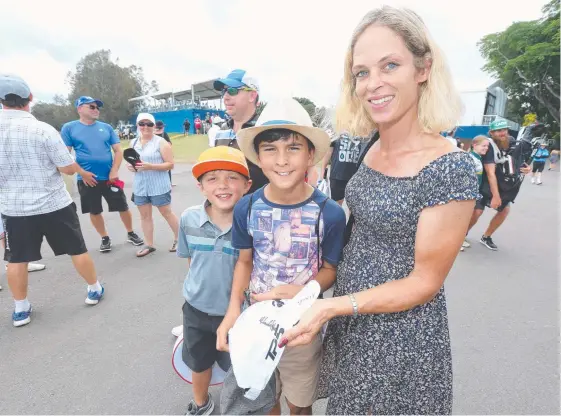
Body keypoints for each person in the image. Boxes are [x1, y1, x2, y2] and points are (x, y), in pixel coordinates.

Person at [277, 8, 480, 415]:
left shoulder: (450, 166)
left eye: (390, 65)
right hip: (353, 319)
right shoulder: (374, 144)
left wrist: (332, 305)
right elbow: (358, 227)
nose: (374, 84)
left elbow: (425, 281)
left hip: (399, 337)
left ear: (423, 68)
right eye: (362, 72)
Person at [217, 98, 347, 415]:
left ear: (310, 155)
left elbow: (331, 269)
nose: (282, 160)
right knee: (264, 398)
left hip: (301, 328)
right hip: (256, 323)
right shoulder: (246, 207)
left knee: (300, 405)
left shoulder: (328, 213)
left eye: (293, 148)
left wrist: (306, 291)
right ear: (258, 158)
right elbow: (245, 261)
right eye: (271, 150)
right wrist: (233, 311)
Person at [0, 74, 105, 327]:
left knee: (16, 259)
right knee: (77, 249)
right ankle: (94, 288)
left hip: (14, 208)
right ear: (30, 99)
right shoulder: (43, 129)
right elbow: (67, 168)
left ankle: (21, 309)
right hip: (53, 203)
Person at [177, 146, 252, 415]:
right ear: (201, 187)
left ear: (247, 185)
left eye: (232, 177)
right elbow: (191, 261)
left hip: (239, 314)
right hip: (196, 309)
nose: (222, 185)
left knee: (239, 365)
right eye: (212, 178)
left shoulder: (253, 223)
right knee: (199, 362)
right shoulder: (188, 219)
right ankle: (201, 404)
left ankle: (239, 407)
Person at [61, 96, 143, 252]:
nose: (96, 110)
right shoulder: (69, 128)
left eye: (97, 107)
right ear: (80, 109)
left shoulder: (106, 127)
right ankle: (104, 237)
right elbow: (65, 155)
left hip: (110, 178)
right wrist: (82, 173)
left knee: (123, 206)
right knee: (95, 210)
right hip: (87, 179)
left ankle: (131, 233)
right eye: (91, 107)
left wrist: (114, 170)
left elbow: (118, 150)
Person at [466, 119, 531, 251]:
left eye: (504, 130)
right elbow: (490, 173)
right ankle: (461, 235)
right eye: (499, 131)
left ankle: (486, 236)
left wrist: (527, 167)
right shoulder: (489, 146)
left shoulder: (511, 141)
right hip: (484, 184)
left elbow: (516, 159)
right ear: (492, 133)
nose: (503, 133)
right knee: (477, 212)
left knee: (505, 210)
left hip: (502, 183)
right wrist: (496, 196)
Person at [127, 113, 179, 257]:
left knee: (166, 213)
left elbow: (170, 164)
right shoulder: (133, 143)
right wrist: (131, 167)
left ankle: (179, 238)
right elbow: (132, 162)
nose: (145, 127)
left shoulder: (161, 142)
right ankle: (149, 244)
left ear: (154, 126)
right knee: (145, 216)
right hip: (140, 186)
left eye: (149, 124)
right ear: (137, 126)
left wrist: (151, 166)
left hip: (159, 185)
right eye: (142, 124)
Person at [213, 69, 269, 194]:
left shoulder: (265, 130)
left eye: (232, 91)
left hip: (256, 209)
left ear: (252, 96)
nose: (225, 97)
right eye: (224, 91)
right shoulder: (221, 130)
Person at [461, 135, 490, 251]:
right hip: (467, 195)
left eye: (487, 146)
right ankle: (456, 242)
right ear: (474, 145)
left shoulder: (479, 158)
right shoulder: (469, 158)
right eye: (483, 146)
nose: (486, 148)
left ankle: (461, 238)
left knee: (471, 216)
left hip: (474, 194)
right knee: (462, 219)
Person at [320, 131, 366, 205]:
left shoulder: (361, 130)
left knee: (353, 206)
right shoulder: (336, 131)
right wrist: (323, 169)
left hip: (355, 177)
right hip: (337, 175)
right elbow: (329, 152)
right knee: (336, 204)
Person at [154, 120, 174, 185]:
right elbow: (169, 144)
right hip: (164, 154)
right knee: (167, 167)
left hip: (154, 154)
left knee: (156, 168)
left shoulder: (152, 134)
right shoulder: (164, 134)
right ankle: (168, 183)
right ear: (162, 127)